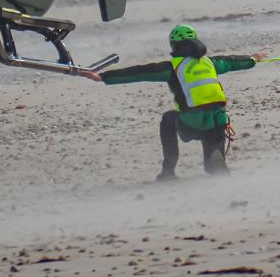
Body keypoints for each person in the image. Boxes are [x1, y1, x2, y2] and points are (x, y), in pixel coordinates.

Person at [80, 24, 264, 180]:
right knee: (213, 168)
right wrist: (253, 59)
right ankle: (216, 160)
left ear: (174, 45)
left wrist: (103, 77)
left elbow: (139, 72)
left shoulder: (172, 68)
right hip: (218, 120)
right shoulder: (211, 63)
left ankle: (168, 171)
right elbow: (233, 61)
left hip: (191, 122)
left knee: (169, 119)